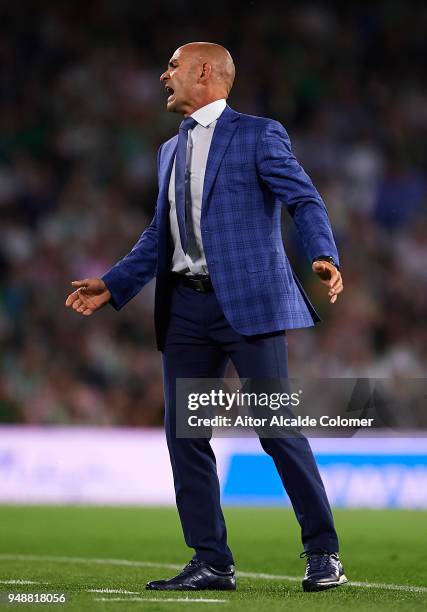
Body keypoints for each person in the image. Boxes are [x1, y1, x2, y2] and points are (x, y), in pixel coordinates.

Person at [65, 42, 347, 593]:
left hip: (249, 303)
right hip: (187, 308)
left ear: (203, 72)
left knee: (276, 429)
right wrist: (115, 282)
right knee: (184, 436)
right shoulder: (168, 151)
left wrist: (323, 254)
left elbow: (305, 200)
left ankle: (323, 553)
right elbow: (158, 236)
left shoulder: (259, 134)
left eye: (171, 67)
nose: (163, 75)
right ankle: (211, 561)